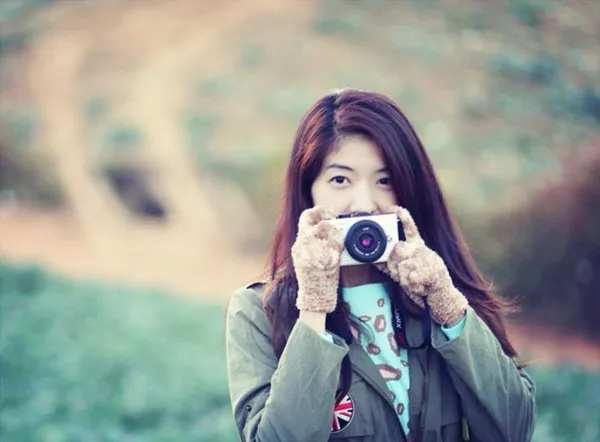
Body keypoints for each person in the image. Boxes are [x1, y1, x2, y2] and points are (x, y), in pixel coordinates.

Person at [225, 89, 536, 442]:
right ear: (308, 190)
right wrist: (314, 305)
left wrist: (446, 303)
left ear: (410, 190)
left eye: (385, 181)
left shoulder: (440, 291)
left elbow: (514, 430)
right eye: (340, 180)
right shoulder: (257, 311)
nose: (364, 204)